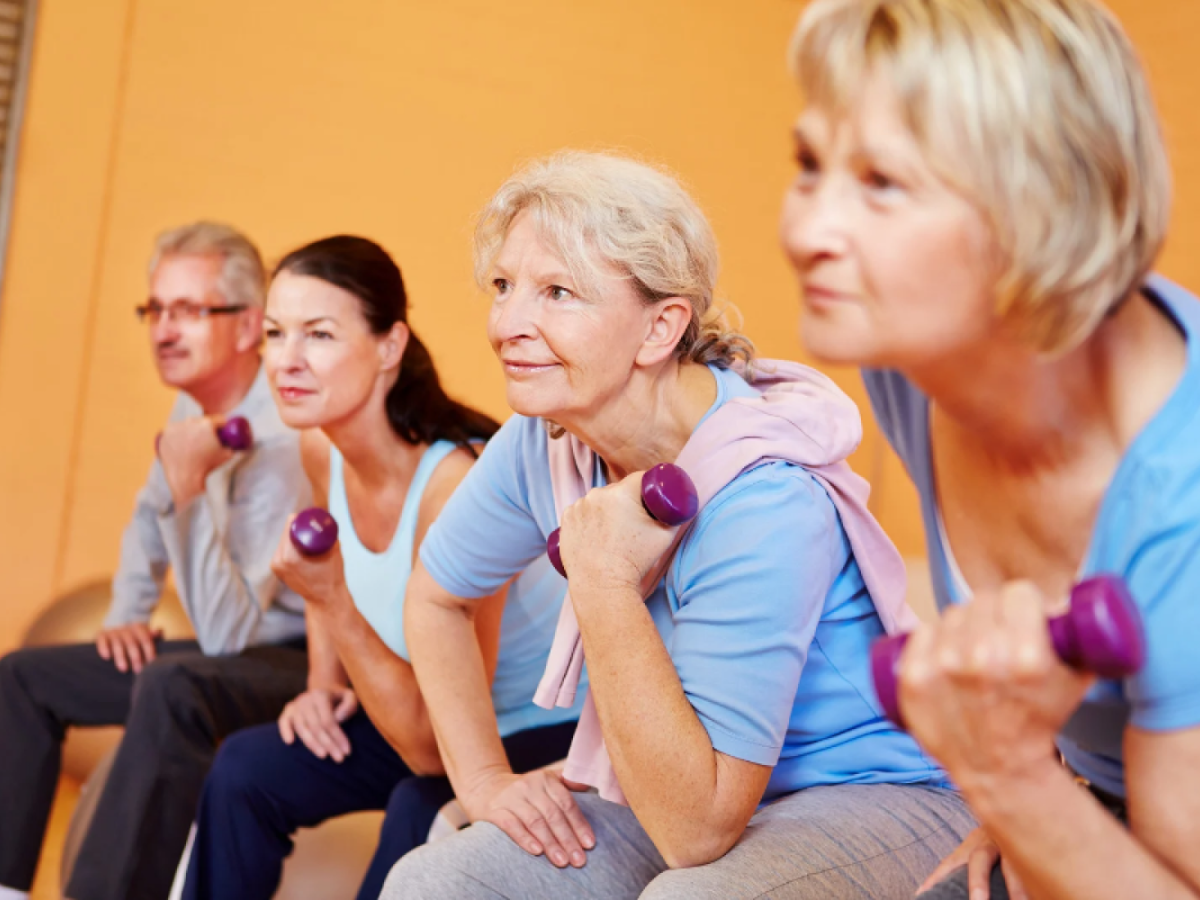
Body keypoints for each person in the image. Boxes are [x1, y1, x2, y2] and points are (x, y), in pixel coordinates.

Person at [382, 151, 973, 899]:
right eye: (504, 286)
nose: (507, 324)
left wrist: (601, 575)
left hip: (874, 790)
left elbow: (697, 833)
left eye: (557, 292)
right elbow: (437, 596)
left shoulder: (766, 496)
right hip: (677, 787)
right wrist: (483, 781)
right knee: (439, 881)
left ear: (661, 328)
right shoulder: (546, 440)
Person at [780, 1, 1200, 898]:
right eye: (811, 165)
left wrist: (1009, 781)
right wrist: (1026, 802)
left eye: (883, 183)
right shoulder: (917, 361)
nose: (808, 231)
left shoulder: (1185, 494)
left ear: (1039, 212)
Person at [182, 236, 580, 900]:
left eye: (319, 335)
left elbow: (434, 746)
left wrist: (336, 600)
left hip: (528, 731)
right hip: (419, 708)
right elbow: (320, 559)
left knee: (418, 807)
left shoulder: (453, 486)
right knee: (244, 769)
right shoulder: (320, 446)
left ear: (390, 347)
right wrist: (318, 682)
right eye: (277, 334)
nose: (287, 360)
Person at [0, 222, 311, 900]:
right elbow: (148, 517)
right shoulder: (193, 406)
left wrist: (190, 486)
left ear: (249, 325)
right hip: (226, 649)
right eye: (156, 310)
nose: (164, 330)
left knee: (171, 686)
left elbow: (233, 636)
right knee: (23, 679)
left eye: (189, 311)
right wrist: (126, 614)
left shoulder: (285, 439)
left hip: (298, 662)